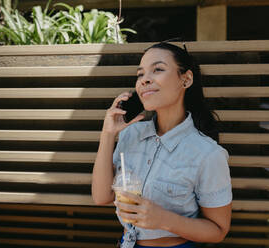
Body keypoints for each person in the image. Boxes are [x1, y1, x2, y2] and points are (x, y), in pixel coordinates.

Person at [91, 42, 232, 248]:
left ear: (186, 79)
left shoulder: (208, 154)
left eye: (158, 69)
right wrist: (107, 134)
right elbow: (102, 196)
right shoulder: (130, 134)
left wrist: (164, 219)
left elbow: (218, 230)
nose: (145, 79)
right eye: (140, 74)